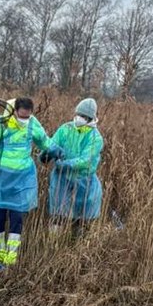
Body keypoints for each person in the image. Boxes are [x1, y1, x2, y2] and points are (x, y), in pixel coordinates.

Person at [0, 97, 58, 273]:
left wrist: (54, 149)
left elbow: (44, 141)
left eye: (27, 117)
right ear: (14, 111)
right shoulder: (1, 124)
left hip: (20, 182)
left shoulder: (31, 124)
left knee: (17, 219)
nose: (24, 120)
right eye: (21, 116)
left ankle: (10, 261)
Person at [45, 97, 103, 231]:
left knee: (83, 217)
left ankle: (78, 245)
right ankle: (54, 243)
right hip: (61, 178)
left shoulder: (95, 137)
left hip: (84, 180)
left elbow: (85, 161)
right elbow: (52, 144)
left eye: (83, 116)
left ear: (90, 118)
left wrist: (65, 164)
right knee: (58, 214)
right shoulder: (65, 129)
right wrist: (46, 153)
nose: (79, 118)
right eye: (78, 114)